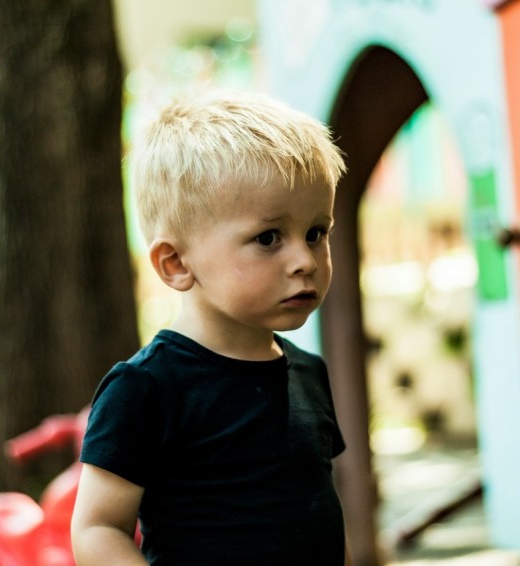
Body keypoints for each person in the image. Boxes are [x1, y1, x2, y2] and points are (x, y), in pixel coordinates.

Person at [71, 89, 349, 565]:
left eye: (316, 233)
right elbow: (97, 527)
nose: (304, 260)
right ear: (176, 262)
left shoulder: (308, 372)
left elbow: (317, 513)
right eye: (268, 238)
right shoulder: (146, 388)